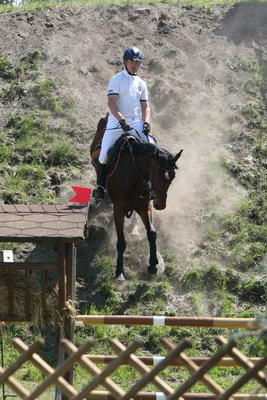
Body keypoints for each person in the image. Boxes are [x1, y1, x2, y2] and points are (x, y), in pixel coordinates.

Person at [93, 46, 154, 200]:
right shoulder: (116, 80)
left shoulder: (141, 83)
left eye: (137, 62)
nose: (134, 64)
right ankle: (100, 187)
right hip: (116, 125)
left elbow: (145, 106)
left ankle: (153, 187)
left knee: (154, 150)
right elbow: (112, 104)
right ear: (125, 62)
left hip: (137, 125)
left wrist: (146, 122)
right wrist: (121, 120)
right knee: (103, 156)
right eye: (131, 61)